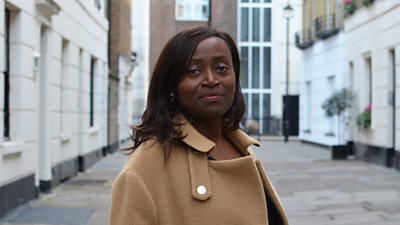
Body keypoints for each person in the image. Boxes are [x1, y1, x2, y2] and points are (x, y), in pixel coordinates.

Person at [110, 26, 289, 225]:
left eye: (221, 68)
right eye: (193, 71)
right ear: (171, 85)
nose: (211, 80)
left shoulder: (240, 147)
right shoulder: (143, 170)